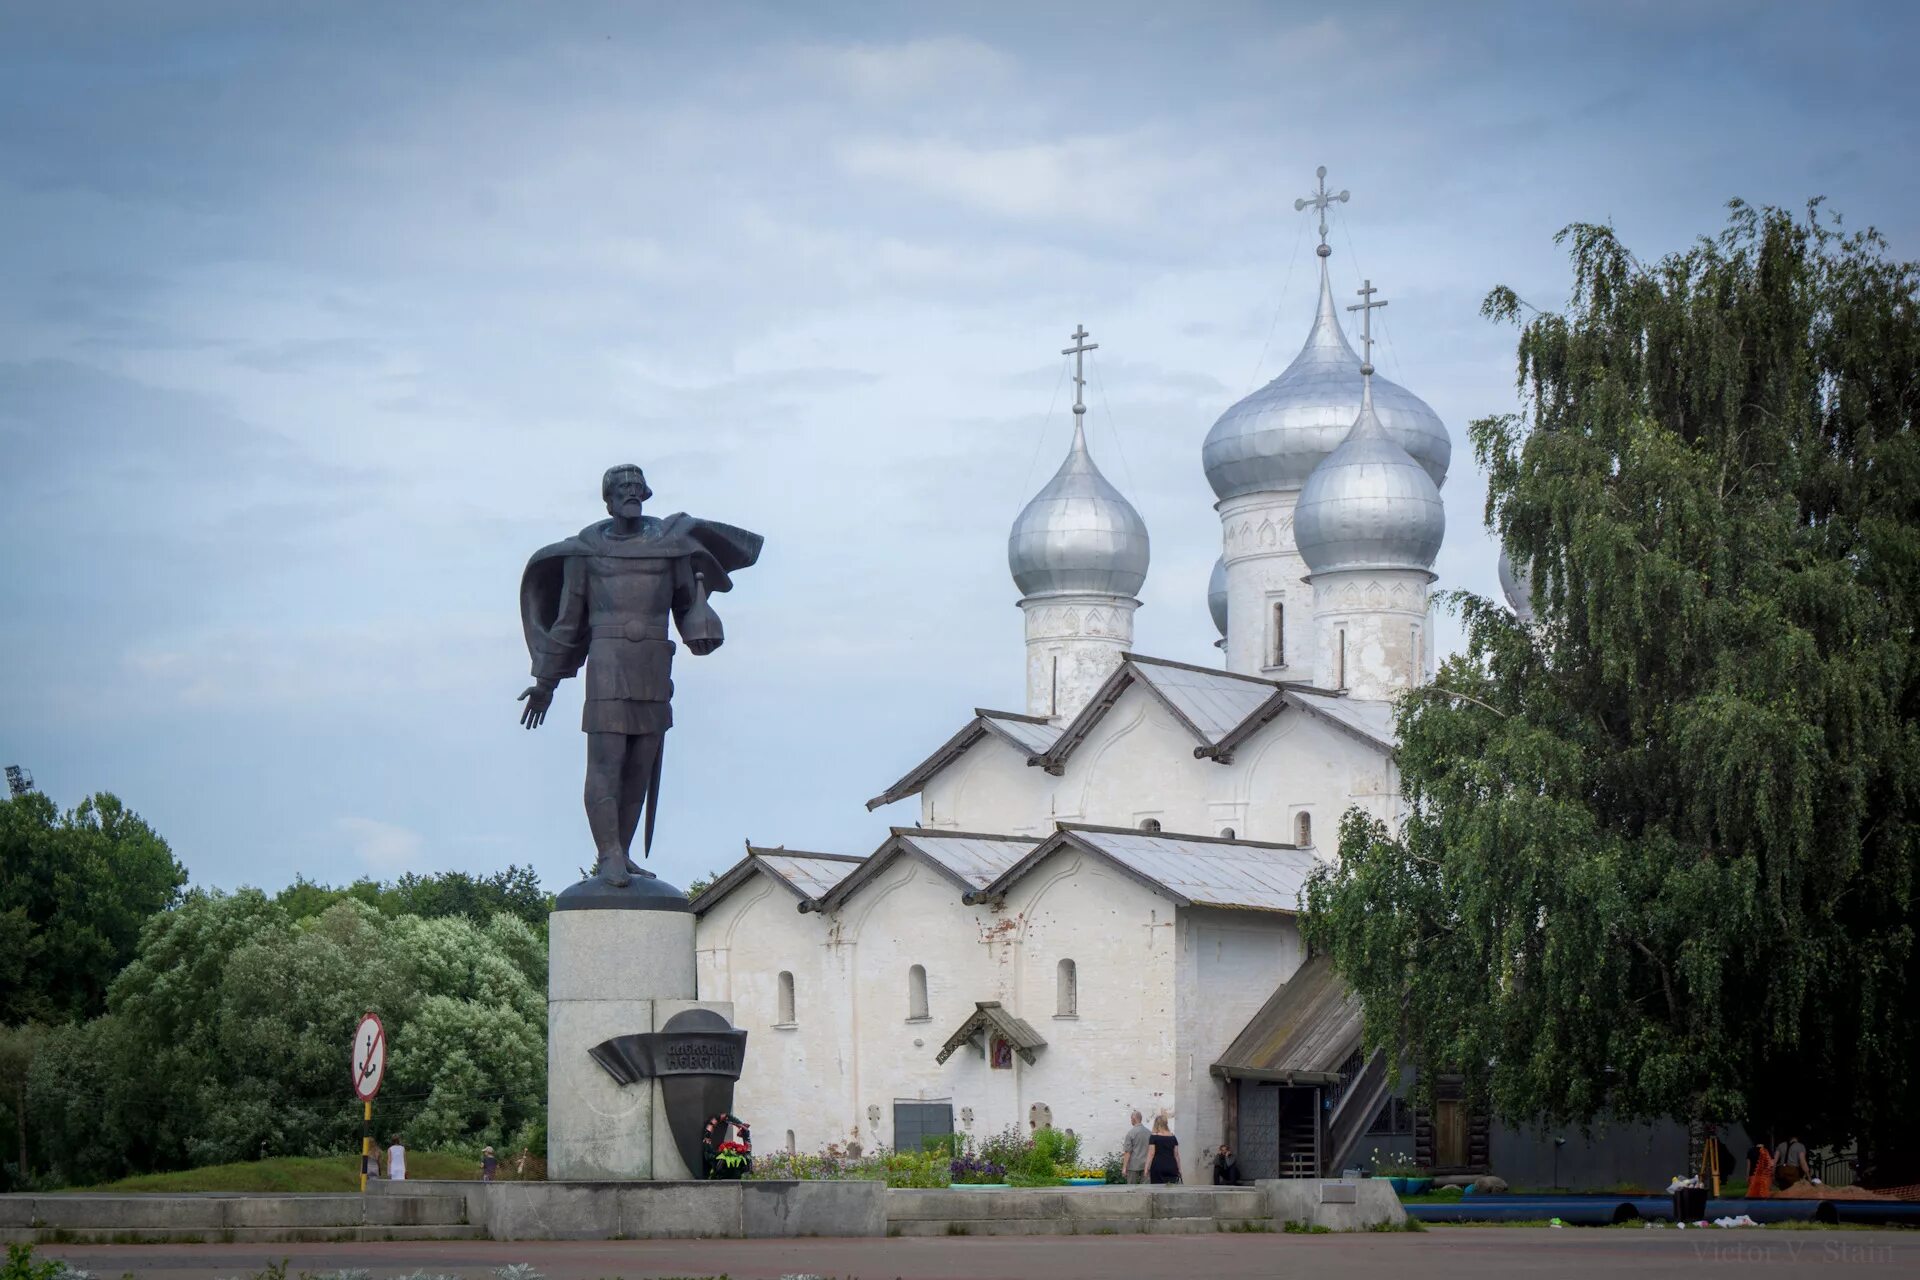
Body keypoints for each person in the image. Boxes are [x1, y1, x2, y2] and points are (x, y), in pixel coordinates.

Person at [1147, 1113, 1181, 1185]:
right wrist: (1179, 1169)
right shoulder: (1173, 1137)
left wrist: (1147, 1168)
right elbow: (1176, 1155)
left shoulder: (1153, 1137)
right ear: (1166, 1124)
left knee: (1157, 1190)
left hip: (1158, 1166)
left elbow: (1151, 1154)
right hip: (1171, 1166)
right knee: (1171, 1189)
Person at [1120, 1110, 1151, 1185]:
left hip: (1133, 1165)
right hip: (1146, 1164)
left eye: (1131, 1119)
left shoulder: (1131, 1133)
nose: (1131, 1121)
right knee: (1146, 1189)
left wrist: (1124, 1168)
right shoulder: (1149, 1132)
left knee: (1131, 1188)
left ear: (1133, 1119)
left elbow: (1127, 1152)